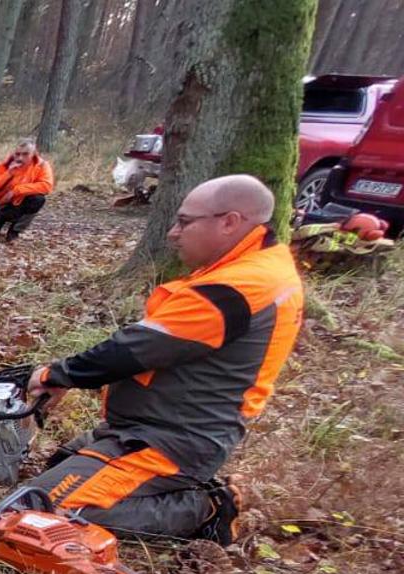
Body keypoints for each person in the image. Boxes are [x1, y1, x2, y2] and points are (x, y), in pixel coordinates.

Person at [23, 175, 303, 543]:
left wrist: (55, 375)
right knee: (61, 464)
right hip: (154, 427)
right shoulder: (255, 267)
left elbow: (136, 349)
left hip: (174, 439)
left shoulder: (237, 288)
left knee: (42, 510)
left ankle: (205, 509)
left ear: (229, 222)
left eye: (185, 222)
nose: (173, 233)